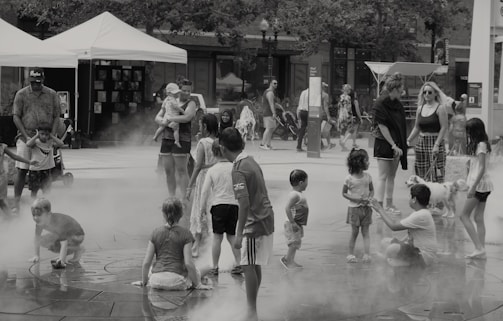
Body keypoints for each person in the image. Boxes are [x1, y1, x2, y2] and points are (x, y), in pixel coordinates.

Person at [220, 127, 274, 321]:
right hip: (265, 217)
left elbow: (243, 203)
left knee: (247, 264)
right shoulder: (250, 161)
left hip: (255, 222)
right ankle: (253, 307)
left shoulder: (239, 168)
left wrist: (239, 232)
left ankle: (251, 311)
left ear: (223, 149)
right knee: (254, 263)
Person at [134, 198, 212, 290]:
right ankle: (201, 277)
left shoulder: (155, 232)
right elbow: (188, 264)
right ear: (181, 214)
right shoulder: (186, 234)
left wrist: (144, 282)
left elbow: (146, 263)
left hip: (155, 281)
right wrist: (198, 285)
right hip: (176, 281)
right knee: (206, 268)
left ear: (163, 214)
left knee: (152, 268)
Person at [12, 68, 61, 212]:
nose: (36, 85)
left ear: (43, 80)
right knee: (22, 169)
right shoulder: (21, 94)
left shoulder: (52, 94)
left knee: (46, 170)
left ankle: (45, 202)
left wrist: (52, 136)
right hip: (26, 135)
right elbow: (16, 116)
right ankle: (16, 203)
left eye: (39, 82)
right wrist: (26, 136)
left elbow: (57, 116)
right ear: (29, 81)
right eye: (33, 83)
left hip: (46, 137)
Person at [200, 140, 242, 275]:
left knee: (217, 238)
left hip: (218, 205)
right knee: (232, 236)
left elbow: (205, 191)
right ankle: (239, 263)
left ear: (214, 152)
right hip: (234, 205)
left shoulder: (212, 170)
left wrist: (201, 209)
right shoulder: (235, 167)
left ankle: (215, 266)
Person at [370, 184, 437, 267]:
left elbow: (394, 226)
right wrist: (400, 244)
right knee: (385, 242)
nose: (409, 199)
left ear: (414, 199)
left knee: (392, 248)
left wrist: (379, 209)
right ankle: (394, 261)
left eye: (410, 197)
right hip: (415, 250)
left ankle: (386, 262)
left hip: (424, 256)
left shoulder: (421, 215)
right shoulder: (419, 213)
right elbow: (410, 235)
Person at [371, 72, 408, 213]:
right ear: (394, 90)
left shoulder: (397, 104)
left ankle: (389, 204)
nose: (402, 93)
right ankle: (380, 205)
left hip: (396, 144)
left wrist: (400, 144)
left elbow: (401, 125)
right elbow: (382, 126)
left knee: (392, 176)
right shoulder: (380, 103)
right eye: (400, 91)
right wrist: (393, 145)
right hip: (384, 143)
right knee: (383, 176)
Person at [155, 79, 197, 198]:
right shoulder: (169, 101)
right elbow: (157, 117)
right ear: (179, 90)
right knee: (168, 170)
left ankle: (184, 198)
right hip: (167, 138)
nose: (187, 93)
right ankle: (172, 196)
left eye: (189, 91)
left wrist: (169, 119)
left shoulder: (191, 103)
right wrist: (166, 122)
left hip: (182, 139)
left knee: (181, 170)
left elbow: (187, 117)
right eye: (184, 90)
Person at [459, 118, 493, 259]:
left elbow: (482, 168)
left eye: (468, 131)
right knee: (478, 218)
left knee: (464, 216)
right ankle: (481, 249)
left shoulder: (480, 145)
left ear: (474, 131)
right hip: (484, 185)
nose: (467, 134)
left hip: (478, 185)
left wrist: (472, 187)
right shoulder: (483, 144)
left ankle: (479, 248)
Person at [186, 114, 219, 257]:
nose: (199, 127)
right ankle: (213, 245)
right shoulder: (218, 142)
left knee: (199, 210)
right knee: (212, 210)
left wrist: (189, 186)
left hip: (203, 179)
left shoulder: (203, 143)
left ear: (205, 126)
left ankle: (196, 247)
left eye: (200, 124)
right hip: (216, 179)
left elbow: (197, 166)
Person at [407, 81, 449, 183]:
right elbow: (417, 127)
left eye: (429, 92)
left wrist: (437, 144)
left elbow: (444, 127)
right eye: (424, 92)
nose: (426, 94)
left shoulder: (440, 108)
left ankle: (437, 196)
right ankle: (422, 196)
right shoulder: (420, 108)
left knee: (437, 172)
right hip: (422, 142)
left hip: (435, 141)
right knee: (421, 173)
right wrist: (408, 140)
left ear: (435, 93)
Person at [28, 198, 85, 267]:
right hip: (65, 236)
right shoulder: (40, 222)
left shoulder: (58, 222)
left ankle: (78, 249)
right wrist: (36, 255)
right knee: (42, 241)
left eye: (39, 215)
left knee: (61, 243)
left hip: (77, 235)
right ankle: (70, 250)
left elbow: (64, 243)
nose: (36, 218)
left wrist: (61, 260)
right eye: (33, 215)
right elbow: (37, 238)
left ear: (48, 214)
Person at [342, 148, 374, 263]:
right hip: (354, 209)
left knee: (366, 232)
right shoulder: (349, 179)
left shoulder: (368, 176)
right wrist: (354, 198)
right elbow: (344, 193)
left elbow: (371, 190)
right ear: (359, 163)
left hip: (366, 208)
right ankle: (350, 254)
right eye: (366, 160)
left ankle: (367, 253)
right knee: (354, 232)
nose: (368, 162)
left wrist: (369, 198)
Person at [26, 124, 65, 198]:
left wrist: (52, 136)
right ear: (38, 133)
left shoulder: (50, 142)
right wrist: (36, 136)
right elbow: (28, 144)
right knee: (34, 190)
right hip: (35, 170)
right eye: (42, 134)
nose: (44, 136)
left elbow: (61, 143)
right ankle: (33, 203)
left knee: (46, 190)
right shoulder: (36, 142)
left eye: (46, 135)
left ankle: (45, 204)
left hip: (46, 170)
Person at [280, 169, 309, 269]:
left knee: (296, 242)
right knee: (293, 242)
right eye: (306, 181)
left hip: (297, 223)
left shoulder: (297, 194)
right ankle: (288, 260)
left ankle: (290, 259)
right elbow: (287, 207)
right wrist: (292, 222)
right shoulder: (295, 195)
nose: (307, 184)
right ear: (301, 183)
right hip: (293, 223)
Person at [0, 142, 38, 217]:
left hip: (1, 177)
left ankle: (9, 218)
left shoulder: (2, 147)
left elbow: (15, 156)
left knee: (1, 200)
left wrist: (29, 162)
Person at [260, 80, 278, 150]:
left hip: (267, 112)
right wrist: (274, 113)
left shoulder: (267, 92)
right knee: (268, 128)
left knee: (271, 128)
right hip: (268, 113)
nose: (276, 85)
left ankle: (268, 144)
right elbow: (271, 104)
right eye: (274, 83)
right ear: (270, 84)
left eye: (276, 83)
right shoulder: (270, 93)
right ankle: (262, 144)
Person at [320, 82, 336, 150]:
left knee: (324, 128)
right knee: (326, 128)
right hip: (323, 113)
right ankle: (328, 143)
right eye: (325, 87)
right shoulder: (325, 95)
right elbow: (325, 106)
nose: (326, 88)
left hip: (315, 113)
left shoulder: (316, 94)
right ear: (323, 87)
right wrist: (328, 116)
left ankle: (328, 143)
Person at [296, 88, 309, 152]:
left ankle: (299, 146)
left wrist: (298, 113)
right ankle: (320, 145)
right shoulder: (312, 93)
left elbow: (300, 103)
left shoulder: (303, 92)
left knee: (302, 129)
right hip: (308, 111)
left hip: (302, 111)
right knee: (314, 127)